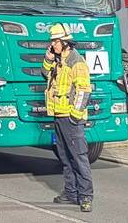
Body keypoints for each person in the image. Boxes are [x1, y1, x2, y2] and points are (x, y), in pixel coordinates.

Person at [42, 24, 94, 212]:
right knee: (65, 157)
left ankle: (86, 196)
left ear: (65, 42)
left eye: (55, 42)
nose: (52, 45)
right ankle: (71, 193)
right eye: (52, 42)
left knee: (79, 158)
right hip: (58, 115)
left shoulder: (76, 62)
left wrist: (74, 116)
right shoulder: (58, 61)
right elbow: (44, 75)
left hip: (70, 119)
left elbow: (84, 90)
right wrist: (48, 59)